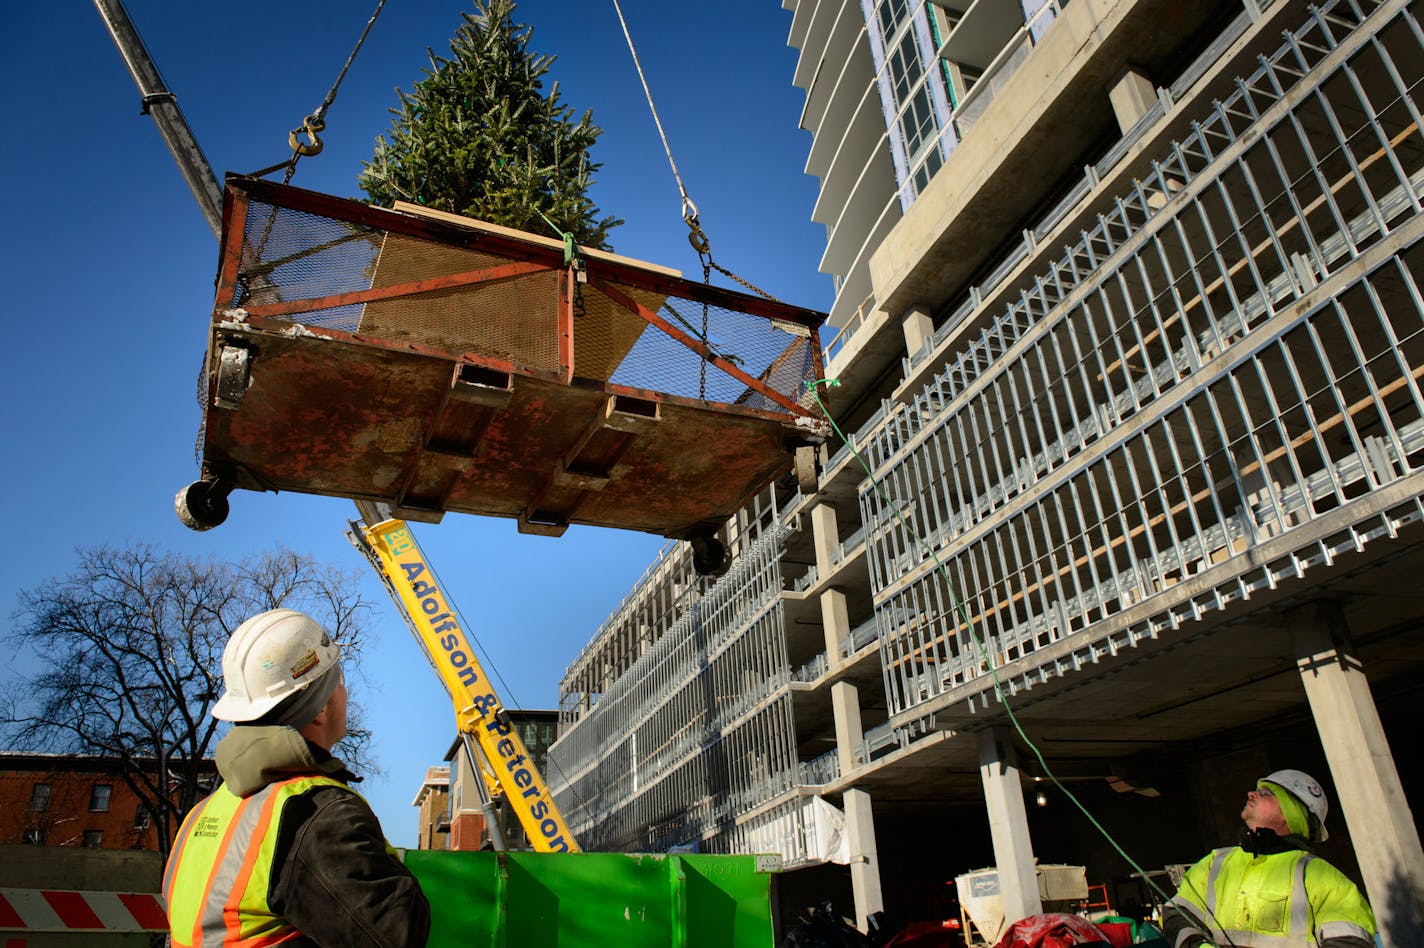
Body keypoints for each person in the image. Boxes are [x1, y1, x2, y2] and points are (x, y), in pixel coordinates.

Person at [163, 608, 431, 947]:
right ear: (319, 709)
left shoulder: (205, 813)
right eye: (339, 682)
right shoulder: (319, 814)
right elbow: (397, 935)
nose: (345, 694)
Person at [1161, 769, 1375, 947]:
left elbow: (1350, 942)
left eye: (1264, 793)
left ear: (1289, 813)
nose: (1251, 794)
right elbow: (1176, 915)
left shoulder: (1319, 877)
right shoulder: (1215, 863)